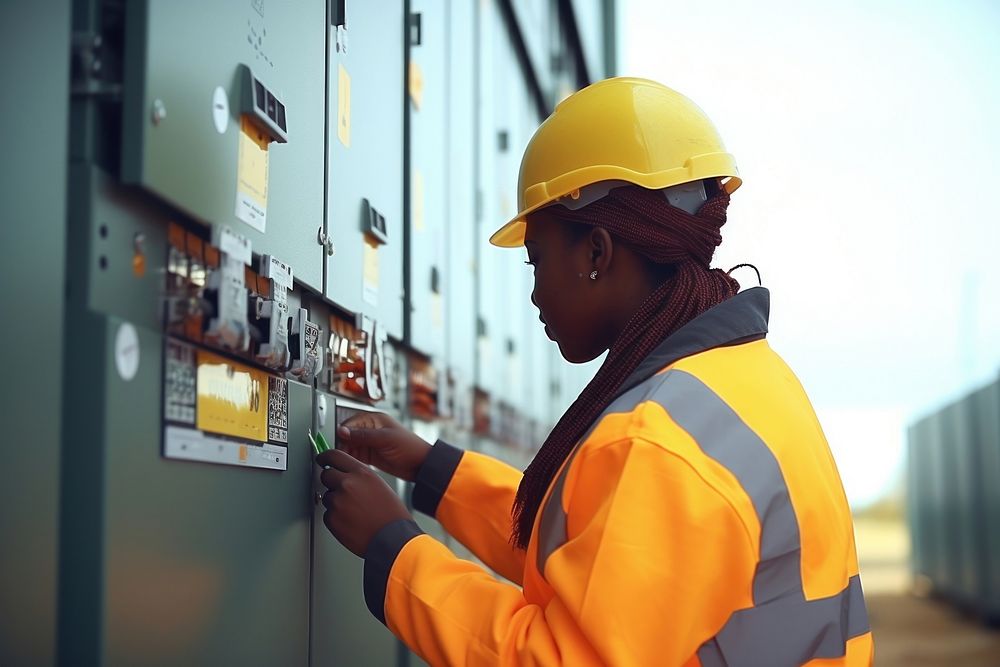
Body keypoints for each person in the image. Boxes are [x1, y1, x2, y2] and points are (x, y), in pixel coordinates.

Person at [315, 77, 874, 666]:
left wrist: (395, 551)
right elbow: (600, 554)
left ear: (596, 253)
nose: (533, 295)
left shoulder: (657, 440)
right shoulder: (745, 380)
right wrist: (432, 469)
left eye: (537, 261)